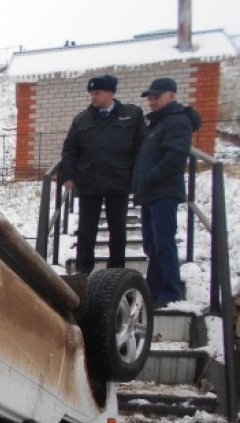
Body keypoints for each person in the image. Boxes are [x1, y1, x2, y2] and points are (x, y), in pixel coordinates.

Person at [60, 74, 146, 274]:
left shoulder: (131, 115)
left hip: (119, 181)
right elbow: (70, 149)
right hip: (90, 182)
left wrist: (135, 174)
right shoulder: (82, 119)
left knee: (118, 229)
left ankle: (116, 269)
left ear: (110, 93)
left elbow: (141, 146)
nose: (93, 97)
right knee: (86, 230)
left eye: (97, 93)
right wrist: (68, 176)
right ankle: (83, 271)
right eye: (91, 93)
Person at [133, 77, 201, 307]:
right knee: (152, 245)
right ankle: (154, 290)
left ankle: (170, 292)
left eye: (156, 97)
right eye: (150, 97)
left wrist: (148, 178)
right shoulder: (157, 123)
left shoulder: (177, 121)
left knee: (163, 243)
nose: (151, 101)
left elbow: (175, 157)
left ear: (171, 95)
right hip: (151, 193)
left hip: (163, 192)